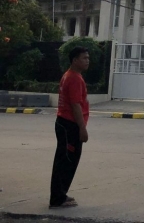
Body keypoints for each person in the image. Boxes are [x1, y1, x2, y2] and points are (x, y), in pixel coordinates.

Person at [49, 46, 90, 208]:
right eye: (84, 58)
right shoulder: (73, 78)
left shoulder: (71, 75)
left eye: (88, 58)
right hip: (69, 125)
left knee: (66, 160)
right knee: (66, 161)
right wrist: (82, 128)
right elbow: (75, 105)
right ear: (75, 60)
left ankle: (60, 195)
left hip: (65, 123)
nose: (87, 61)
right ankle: (57, 198)